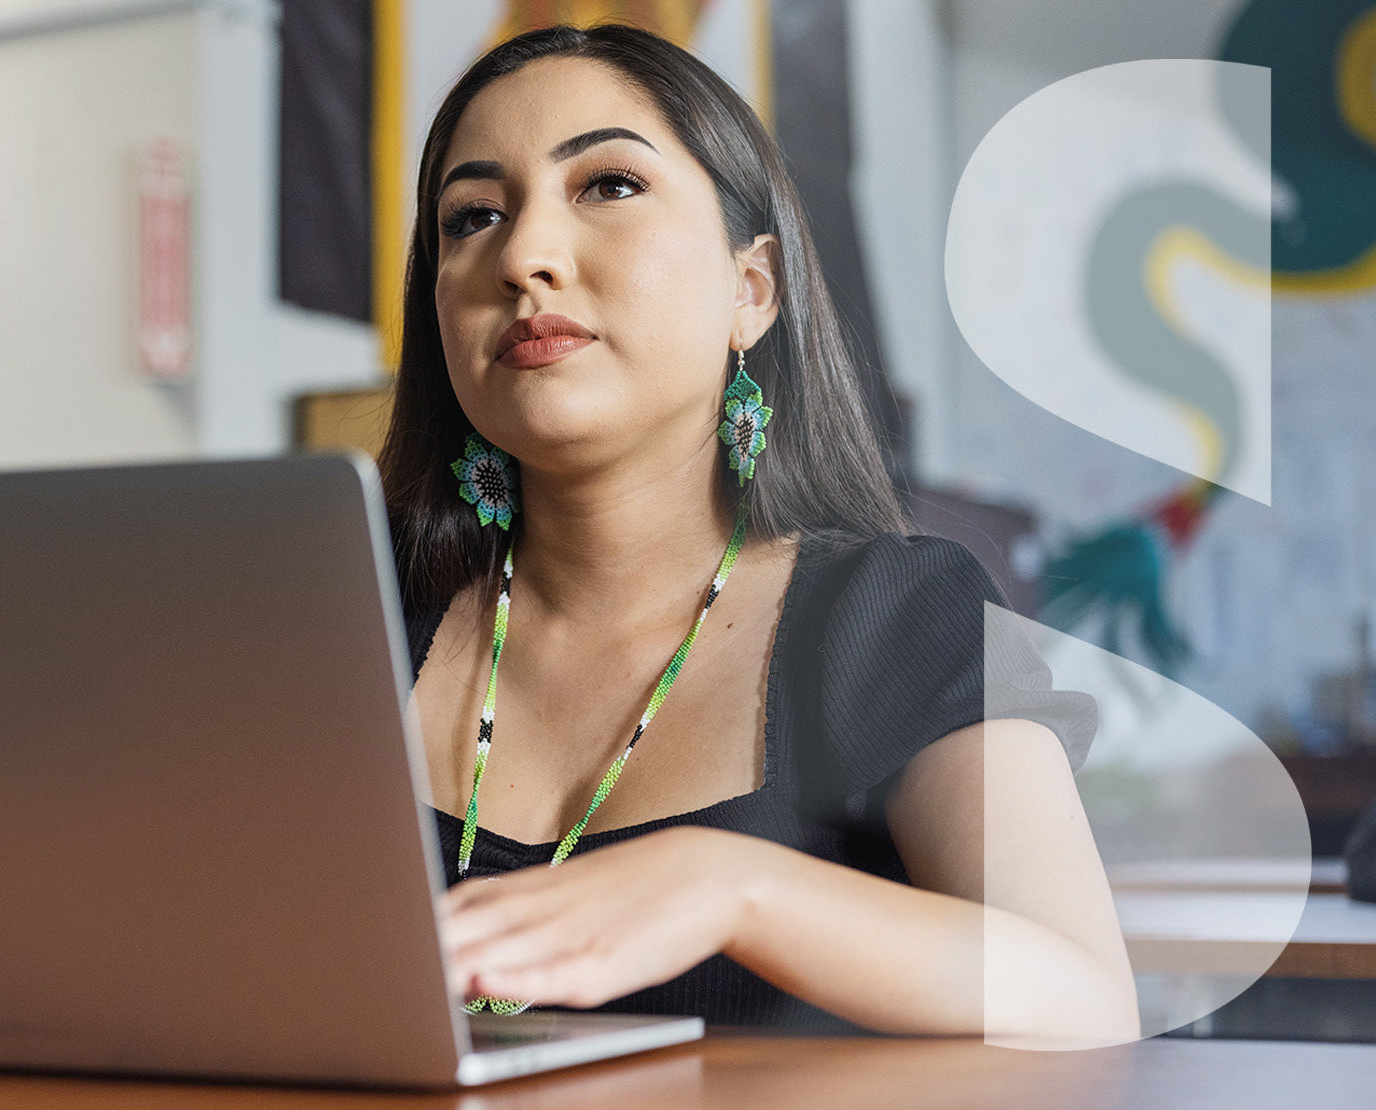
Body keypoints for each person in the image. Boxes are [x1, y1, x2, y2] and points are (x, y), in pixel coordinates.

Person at [375, 22, 1138, 1045]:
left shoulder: (897, 611)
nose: (524, 256)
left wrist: (733, 886)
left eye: (607, 186)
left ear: (752, 290)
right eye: (472, 215)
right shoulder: (355, 613)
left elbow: (1084, 994)